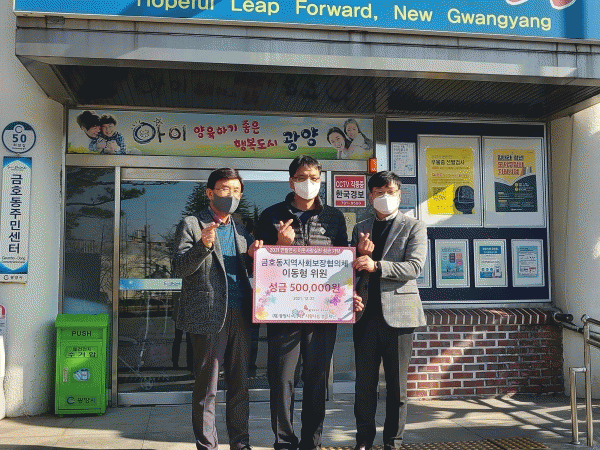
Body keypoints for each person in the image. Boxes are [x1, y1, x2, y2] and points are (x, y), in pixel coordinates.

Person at [256, 155, 348, 450]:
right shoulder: (271, 215)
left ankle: (312, 442)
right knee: (282, 380)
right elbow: (257, 265)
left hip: (323, 313)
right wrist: (278, 246)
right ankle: (284, 441)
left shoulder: (334, 218)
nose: (308, 183)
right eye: (302, 177)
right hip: (283, 313)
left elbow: (343, 266)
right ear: (291, 181)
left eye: (314, 178)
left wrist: (350, 294)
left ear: (320, 181)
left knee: (317, 379)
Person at [172, 168, 263, 450]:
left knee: (240, 385)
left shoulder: (241, 228)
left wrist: (254, 256)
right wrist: (203, 245)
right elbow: (179, 268)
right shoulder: (191, 224)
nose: (230, 195)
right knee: (207, 388)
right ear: (210, 193)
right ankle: (207, 445)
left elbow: (248, 269)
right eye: (224, 189)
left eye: (236, 191)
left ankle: (240, 443)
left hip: (241, 314)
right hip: (209, 314)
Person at [351, 171, 427, 450]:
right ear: (370, 196)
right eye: (379, 192)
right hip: (365, 315)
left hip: (400, 316)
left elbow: (414, 267)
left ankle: (393, 442)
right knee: (364, 385)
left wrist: (377, 265)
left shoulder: (414, 226)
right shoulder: (361, 227)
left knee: (396, 386)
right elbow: (352, 269)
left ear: (399, 194)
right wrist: (359, 258)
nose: (385, 197)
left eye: (390, 192)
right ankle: (363, 440)